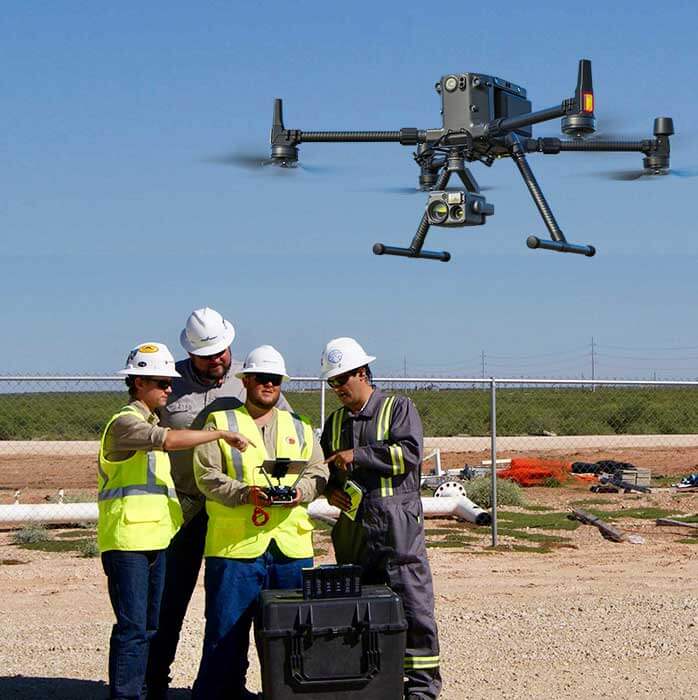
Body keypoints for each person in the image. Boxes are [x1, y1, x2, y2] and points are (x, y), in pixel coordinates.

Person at [145, 308, 291, 698]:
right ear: (189, 352)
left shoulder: (252, 375)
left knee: (230, 603)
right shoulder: (168, 383)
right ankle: (153, 682)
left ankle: (230, 685)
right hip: (185, 509)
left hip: (235, 510)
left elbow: (286, 425)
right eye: (209, 354)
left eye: (223, 351)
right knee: (167, 601)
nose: (219, 360)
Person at [99, 342, 250, 700]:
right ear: (138, 383)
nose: (170, 388)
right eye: (162, 383)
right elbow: (166, 441)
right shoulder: (125, 424)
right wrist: (219, 433)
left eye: (170, 382)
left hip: (156, 540)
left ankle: (149, 690)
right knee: (134, 630)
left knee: (150, 627)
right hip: (127, 544)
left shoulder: (148, 418)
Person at [190, 345, 329, 700]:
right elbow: (206, 476)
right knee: (225, 635)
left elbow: (318, 471)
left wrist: (302, 493)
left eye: (275, 380)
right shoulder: (219, 424)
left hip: (290, 550)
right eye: (261, 378)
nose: (268, 384)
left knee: (290, 637)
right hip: (235, 549)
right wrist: (245, 494)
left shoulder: (300, 427)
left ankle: (285, 695)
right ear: (246, 380)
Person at [319, 337, 441, 700]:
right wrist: (331, 492)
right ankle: (375, 683)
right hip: (355, 529)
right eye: (332, 383)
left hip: (396, 526)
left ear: (361, 372)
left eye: (342, 380)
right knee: (363, 608)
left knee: (412, 606)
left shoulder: (397, 407)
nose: (338, 389)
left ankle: (421, 688)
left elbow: (409, 454)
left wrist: (357, 455)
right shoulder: (335, 420)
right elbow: (327, 467)